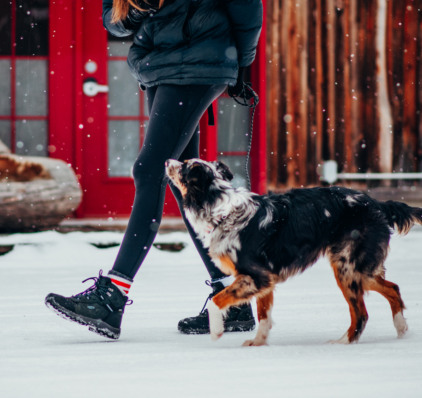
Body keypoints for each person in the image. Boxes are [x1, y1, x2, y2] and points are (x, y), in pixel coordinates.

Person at [46, 0, 264, 339]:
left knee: (150, 170)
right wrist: (140, 7)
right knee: (184, 184)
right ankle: (233, 299)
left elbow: (247, 9)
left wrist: (240, 66)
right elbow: (115, 22)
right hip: (160, 68)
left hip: (197, 65)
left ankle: (112, 294)